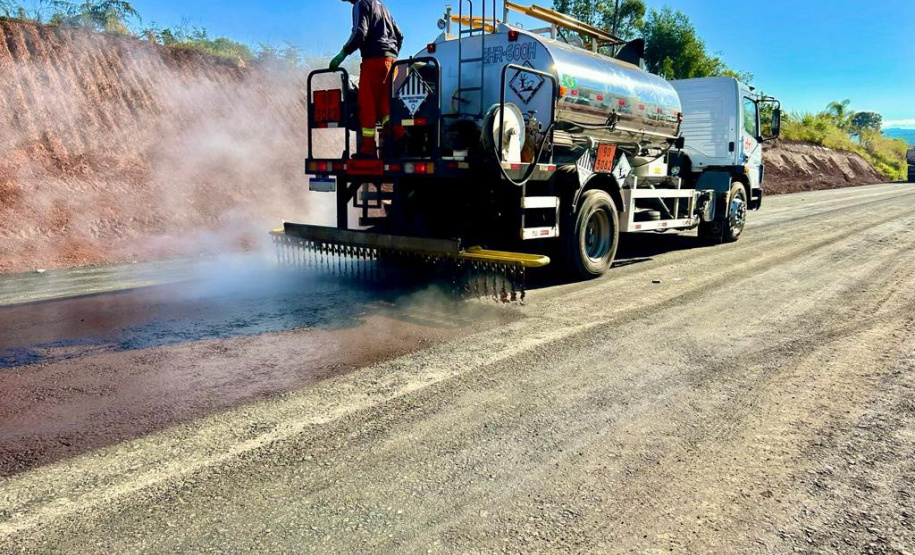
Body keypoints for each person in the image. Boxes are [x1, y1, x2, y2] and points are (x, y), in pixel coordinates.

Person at [330, 0, 404, 158]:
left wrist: (342, 54)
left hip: (373, 62)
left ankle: (368, 150)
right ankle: (397, 141)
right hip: (391, 63)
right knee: (386, 106)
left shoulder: (361, 3)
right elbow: (400, 35)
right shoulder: (383, 7)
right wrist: (391, 54)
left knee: (367, 105)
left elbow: (359, 33)